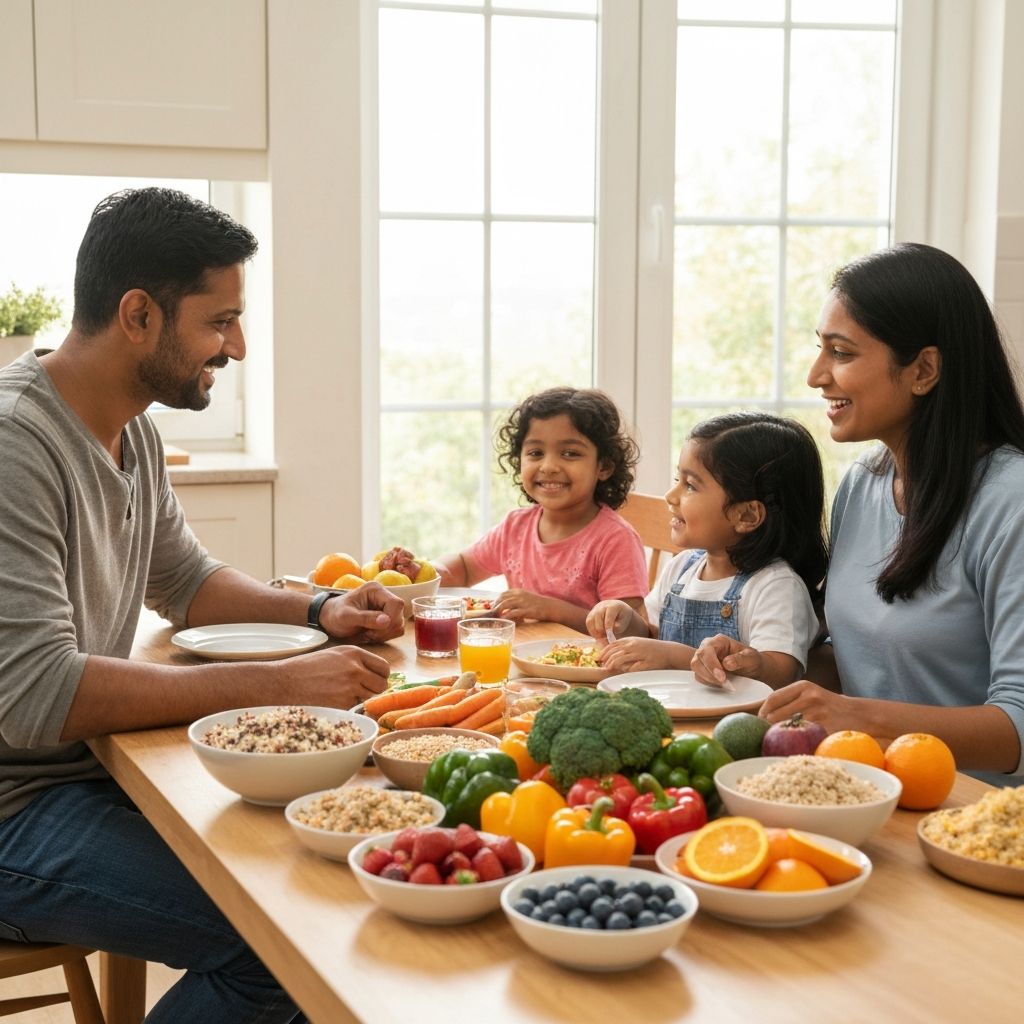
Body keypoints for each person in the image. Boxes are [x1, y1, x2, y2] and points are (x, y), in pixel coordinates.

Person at [0, 187, 405, 1023]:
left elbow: (184, 581)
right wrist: (276, 683)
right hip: (14, 814)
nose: (241, 346)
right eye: (220, 322)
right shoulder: (15, 447)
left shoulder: (131, 427)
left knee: (319, 871)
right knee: (286, 946)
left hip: (79, 777)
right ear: (139, 315)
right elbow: (38, 697)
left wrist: (318, 612)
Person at [746, 243, 1024, 783]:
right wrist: (767, 668)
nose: (815, 375)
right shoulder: (863, 483)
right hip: (869, 793)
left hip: (979, 821)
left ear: (923, 370)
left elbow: (1017, 728)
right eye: (819, 349)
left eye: (842, 353)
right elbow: (854, 655)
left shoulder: (1010, 500)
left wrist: (856, 716)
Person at [586, 412, 827, 687]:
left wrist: (674, 658)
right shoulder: (683, 567)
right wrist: (626, 620)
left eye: (690, 485)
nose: (670, 496)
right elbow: (653, 632)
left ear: (746, 516)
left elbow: (781, 674)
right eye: (677, 480)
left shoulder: (776, 586)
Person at [435, 386, 649, 631]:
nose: (548, 466)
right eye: (535, 453)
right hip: (520, 661)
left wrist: (550, 609)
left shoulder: (615, 539)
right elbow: (463, 567)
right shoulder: (515, 527)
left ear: (604, 467)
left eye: (570, 453)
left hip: (591, 667)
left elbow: (630, 630)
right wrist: (429, 572)